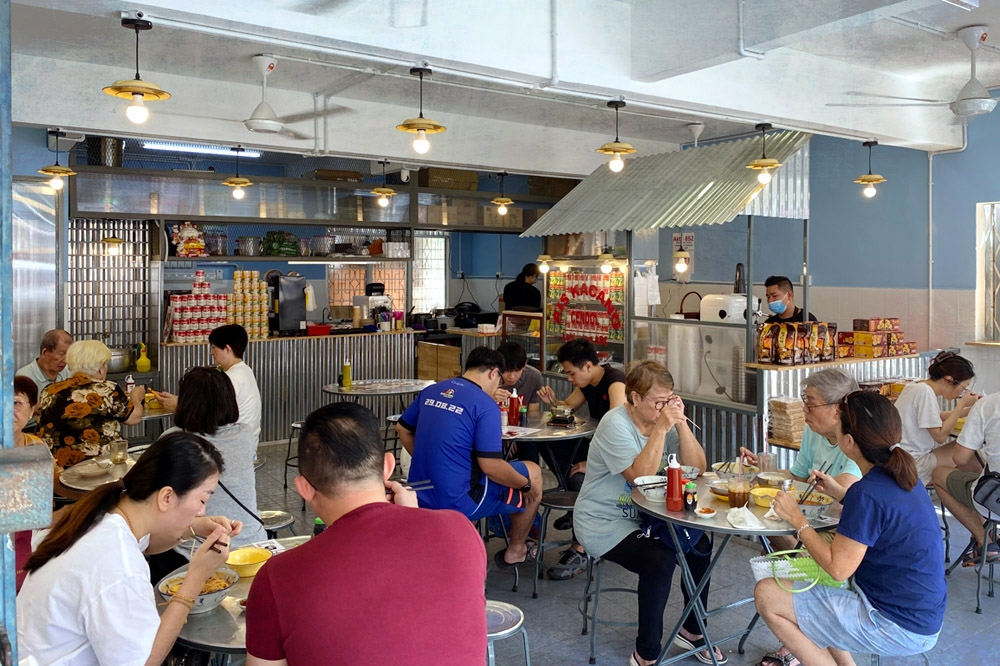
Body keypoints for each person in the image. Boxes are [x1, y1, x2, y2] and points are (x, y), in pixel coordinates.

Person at [246, 402, 487, 665]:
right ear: (387, 466)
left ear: (303, 488)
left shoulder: (277, 576)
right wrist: (416, 517)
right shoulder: (460, 530)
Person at [17, 432, 240, 666]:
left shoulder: (103, 514)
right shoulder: (119, 565)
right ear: (166, 497)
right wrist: (196, 577)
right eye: (203, 500)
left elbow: (145, 542)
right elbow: (145, 661)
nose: (202, 511)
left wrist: (193, 528)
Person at [756, 391, 945, 666]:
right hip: (923, 615)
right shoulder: (904, 476)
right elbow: (883, 517)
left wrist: (798, 520)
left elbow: (838, 567)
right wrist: (841, 494)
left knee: (767, 594)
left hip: (895, 624)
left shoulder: (867, 493)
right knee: (822, 592)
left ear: (848, 441)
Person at [574, 361, 722, 666]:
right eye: (657, 402)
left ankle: (693, 630)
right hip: (605, 520)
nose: (662, 408)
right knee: (659, 560)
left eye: (668, 401)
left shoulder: (664, 420)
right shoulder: (615, 423)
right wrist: (663, 428)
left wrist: (680, 424)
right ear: (635, 398)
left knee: (701, 545)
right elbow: (639, 477)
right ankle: (647, 651)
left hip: (648, 517)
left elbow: (699, 468)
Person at [741, 369, 862, 666]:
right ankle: (799, 636)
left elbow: (846, 495)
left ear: (837, 410)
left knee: (776, 569)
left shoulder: (855, 441)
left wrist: (803, 513)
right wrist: (765, 470)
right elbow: (799, 479)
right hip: (818, 530)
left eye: (810, 403)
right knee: (771, 545)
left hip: (845, 541)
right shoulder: (814, 431)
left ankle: (798, 639)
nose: (803, 410)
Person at [395, 346, 543, 569]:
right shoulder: (485, 405)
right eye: (499, 381)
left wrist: (431, 458)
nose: (498, 387)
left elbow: (402, 428)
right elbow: (491, 466)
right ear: (494, 373)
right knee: (533, 472)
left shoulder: (433, 390)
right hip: (459, 500)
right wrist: (525, 486)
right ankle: (517, 549)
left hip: (419, 492)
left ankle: (460, 543)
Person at [535, 337, 627, 579]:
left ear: (588, 366)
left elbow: (618, 430)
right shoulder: (588, 381)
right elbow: (568, 406)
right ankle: (576, 508)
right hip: (599, 448)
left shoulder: (614, 382)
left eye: (571, 373)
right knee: (549, 444)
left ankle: (582, 547)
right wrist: (552, 401)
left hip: (619, 458)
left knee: (580, 479)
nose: (569, 379)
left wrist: (593, 465)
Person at [163, 367, 267, 550]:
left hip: (196, 548)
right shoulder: (244, 434)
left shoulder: (173, 440)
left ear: (186, 403)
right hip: (253, 540)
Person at [37, 339, 145, 472]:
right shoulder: (107, 389)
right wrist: (136, 396)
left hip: (56, 469)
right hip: (99, 467)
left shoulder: (49, 391)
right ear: (100, 368)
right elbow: (134, 418)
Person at [156, 324, 262, 445]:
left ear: (227, 349)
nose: (211, 353)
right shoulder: (244, 370)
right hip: (245, 440)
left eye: (214, 348)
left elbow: (207, 417)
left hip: (231, 443)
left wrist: (178, 406)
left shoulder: (230, 378)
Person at [932, 391, 1000, 565]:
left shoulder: (988, 403)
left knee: (939, 474)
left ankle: (985, 540)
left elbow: (960, 458)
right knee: (977, 468)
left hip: (996, 498)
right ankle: (989, 532)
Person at [894, 350, 980, 485]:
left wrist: (968, 410)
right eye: (964, 388)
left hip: (901, 458)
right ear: (948, 380)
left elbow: (935, 417)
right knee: (969, 449)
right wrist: (961, 404)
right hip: (913, 464)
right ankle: (981, 496)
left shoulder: (916, 385)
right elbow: (940, 437)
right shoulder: (925, 392)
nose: (962, 393)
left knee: (968, 454)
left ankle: (978, 494)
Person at [13, 375, 46, 592]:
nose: (7, 409)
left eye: (16, 402)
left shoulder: (36, 446)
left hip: (27, 538)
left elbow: (42, 505)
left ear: (32, 409)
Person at [16, 329, 73, 393]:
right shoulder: (25, 377)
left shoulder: (67, 373)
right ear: (45, 352)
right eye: (61, 354)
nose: (66, 360)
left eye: (68, 355)